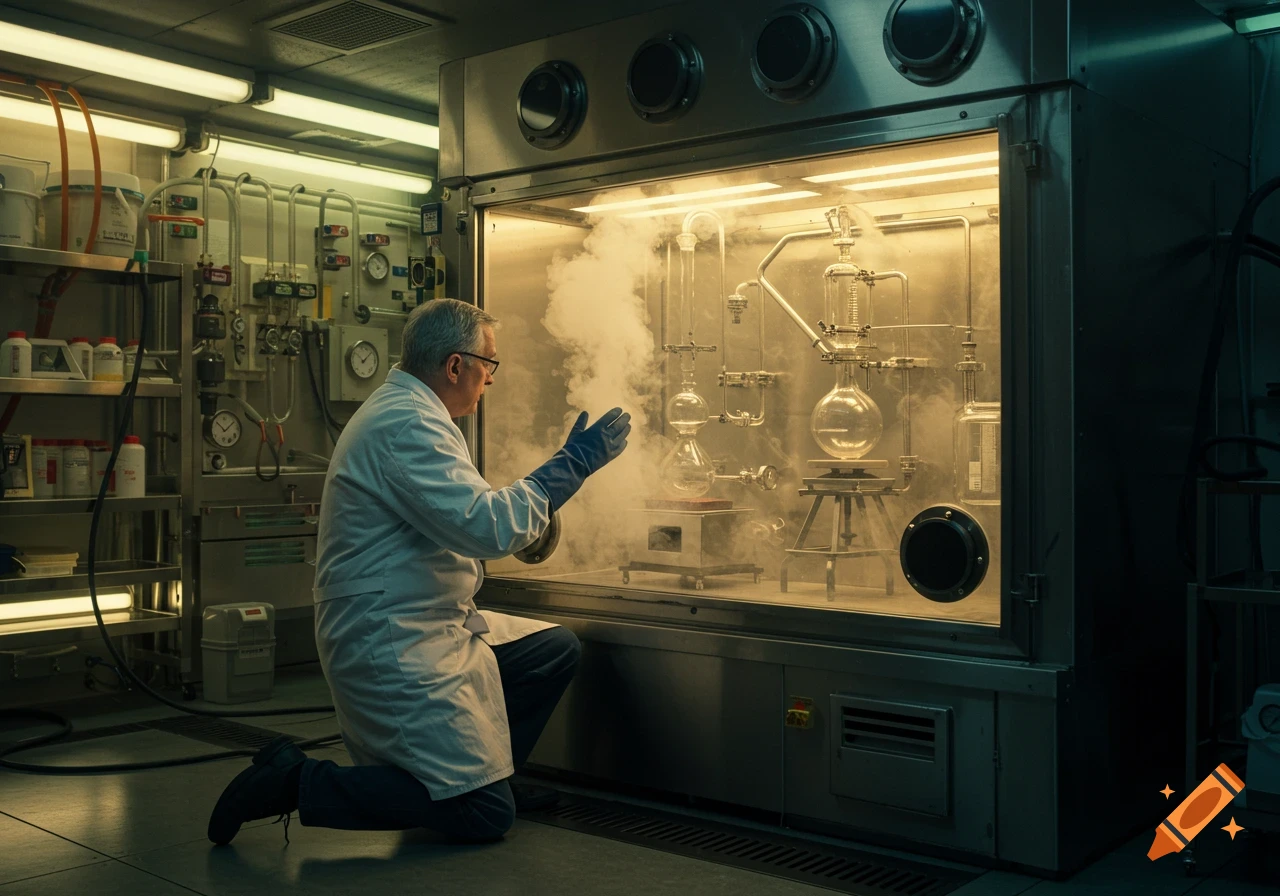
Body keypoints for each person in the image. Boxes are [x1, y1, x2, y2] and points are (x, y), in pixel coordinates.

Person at [208, 299, 630, 845]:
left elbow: (463, 516)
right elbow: (486, 527)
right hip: (389, 633)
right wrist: (571, 464)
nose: (490, 380)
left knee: (552, 650)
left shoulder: (422, 414)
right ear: (455, 367)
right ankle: (296, 781)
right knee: (484, 819)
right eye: (489, 365)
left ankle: (486, 776)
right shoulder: (405, 423)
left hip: (430, 620)